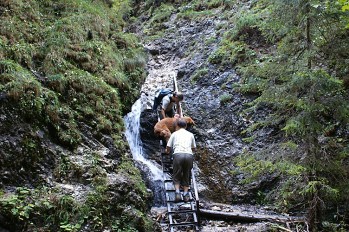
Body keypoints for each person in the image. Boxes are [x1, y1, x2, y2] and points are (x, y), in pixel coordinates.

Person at [166, 118, 196, 203]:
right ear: (186, 126)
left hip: (178, 154)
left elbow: (168, 147)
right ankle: (186, 195)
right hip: (189, 155)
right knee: (187, 174)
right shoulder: (190, 134)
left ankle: (178, 194)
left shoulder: (174, 134)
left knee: (176, 174)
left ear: (177, 126)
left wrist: (167, 152)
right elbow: (194, 148)